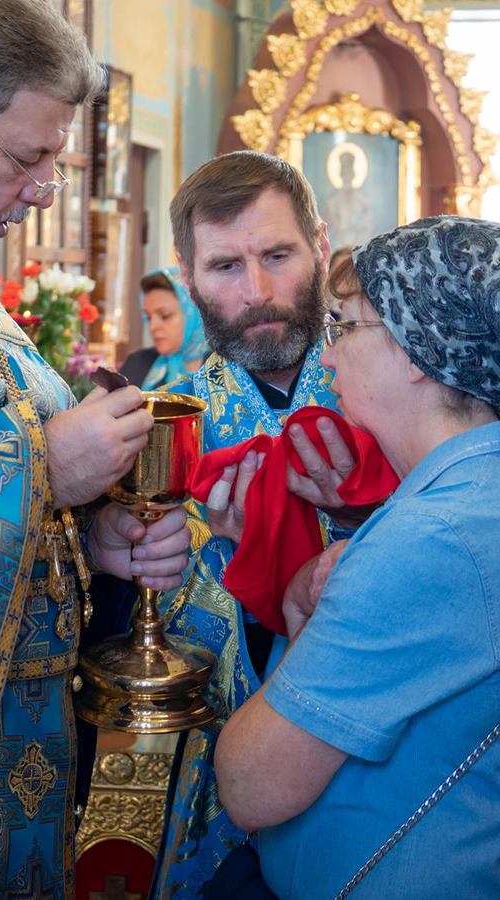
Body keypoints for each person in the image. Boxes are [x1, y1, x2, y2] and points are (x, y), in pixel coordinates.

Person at [0, 3, 190, 899]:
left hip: (21, 747)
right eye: (30, 158)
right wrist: (41, 471)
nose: (41, 192)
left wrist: (85, 536)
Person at [214, 215, 500, 899]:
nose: (329, 356)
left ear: (415, 349)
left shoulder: (433, 535)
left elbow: (250, 785)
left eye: (344, 327)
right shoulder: (462, 499)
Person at [150, 150, 371, 899]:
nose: (259, 292)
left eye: (278, 255)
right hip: (214, 795)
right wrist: (229, 565)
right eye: (225, 268)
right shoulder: (163, 431)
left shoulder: (398, 392)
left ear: (320, 243)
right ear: (188, 278)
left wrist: (355, 520)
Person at [119, 266, 208, 389]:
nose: (153, 326)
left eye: (165, 316)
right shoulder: (136, 363)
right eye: (148, 317)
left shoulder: (226, 370)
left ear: (193, 314)